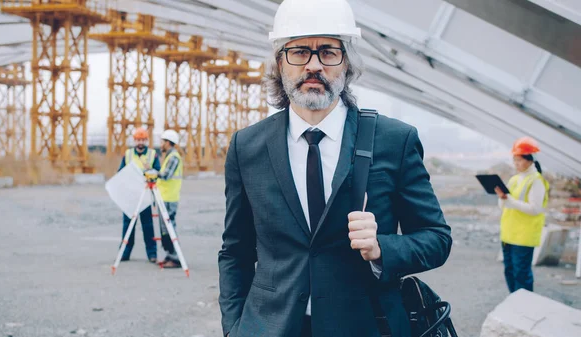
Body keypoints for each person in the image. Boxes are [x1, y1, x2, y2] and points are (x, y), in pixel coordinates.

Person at [217, 1, 452, 336]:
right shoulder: (247, 147)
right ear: (280, 63)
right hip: (268, 327)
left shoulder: (394, 140)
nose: (314, 65)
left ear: (347, 64)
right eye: (299, 52)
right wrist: (234, 328)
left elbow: (437, 239)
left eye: (328, 52)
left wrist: (382, 248)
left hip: (366, 326)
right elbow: (235, 252)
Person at [495, 136, 549, 293]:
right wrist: (503, 199)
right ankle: (515, 305)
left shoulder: (536, 180)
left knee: (521, 274)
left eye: (519, 160)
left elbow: (535, 209)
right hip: (509, 234)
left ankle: (525, 308)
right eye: (514, 160)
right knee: (510, 272)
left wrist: (509, 200)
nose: (516, 164)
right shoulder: (515, 179)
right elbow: (504, 206)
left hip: (524, 236)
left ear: (530, 160)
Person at [118, 127, 160, 263]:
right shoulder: (128, 154)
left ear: (147, 141)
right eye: (138, 140)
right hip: (131, 196)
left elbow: (158, 173)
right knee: (127, 226)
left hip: (146, 195)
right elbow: (121, 172)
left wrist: (150, 170)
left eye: (142, 140)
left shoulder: (153, 155)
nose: (140, 143)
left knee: (148, 226)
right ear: (134, 141)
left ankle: (152, 254)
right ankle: (124, 253)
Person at [156, 129, 184, 268]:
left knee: (169, 228)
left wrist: (152, 173)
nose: (160, 144)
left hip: (169, 198)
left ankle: (175, 258)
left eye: (162, 141)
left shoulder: (173, 157)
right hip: (164, 197)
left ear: (168, 142)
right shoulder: (169, 156)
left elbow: (165, 175)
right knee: (165, 229)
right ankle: (169, 255)